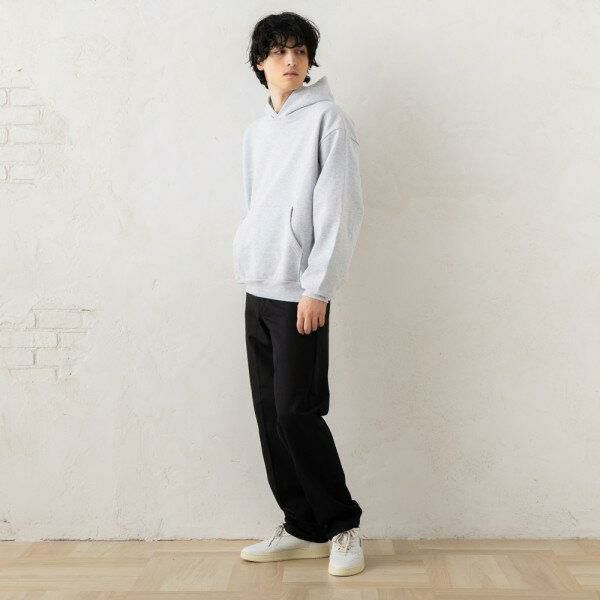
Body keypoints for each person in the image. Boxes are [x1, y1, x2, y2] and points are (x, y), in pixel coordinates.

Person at [233, 11, 365, 577]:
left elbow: (340, 209)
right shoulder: (257, 132)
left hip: (300, 294)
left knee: (297, 412)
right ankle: (302, 525)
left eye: (300, 52)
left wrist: (318, 287)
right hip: (258, 288)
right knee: (270, 415)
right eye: (279, 52)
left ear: (310, 61)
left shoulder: (328, 121)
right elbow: (256, 205)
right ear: (260, 63)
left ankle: (341, 526)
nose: (291, 61)